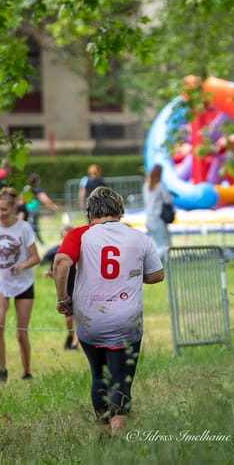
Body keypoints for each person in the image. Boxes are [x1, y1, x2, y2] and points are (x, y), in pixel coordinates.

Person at [52, 186, 164, 437]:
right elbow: (157, 275)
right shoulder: (139, 238)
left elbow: (60, 262)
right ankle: (119, 432)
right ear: (120, 212)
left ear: (90, 213)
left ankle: (103, 430)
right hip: (127, 319)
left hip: (91, 319)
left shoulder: (80, 234)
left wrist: (62, 298)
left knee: (98, 373)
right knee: (121, 376)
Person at [0, 187, 40, 384]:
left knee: (20, 333)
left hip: (23, 284)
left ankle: (26, 371)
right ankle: (1, 370)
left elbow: (36, 257)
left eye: (4, 210)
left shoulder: (23, 228)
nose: (0, 214)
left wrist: (22, 265)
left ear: (13, 208)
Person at [42, 224, 78, 350]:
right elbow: (56, 272)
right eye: (64, 238)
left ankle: (75, 341)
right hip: (66, 289)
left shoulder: (80, 252)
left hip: (78, 287)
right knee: (69, 317)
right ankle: (71, 335)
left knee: (78, 316)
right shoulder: (59, 253)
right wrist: (50, 274)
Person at [142, 164, 173, 262]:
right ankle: (152, 263)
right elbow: (168, 200)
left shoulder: (146, 186)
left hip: (149, 219)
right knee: (166, 245)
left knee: (158, 244)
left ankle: (163, 263)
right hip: (158, 219)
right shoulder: (160, 186)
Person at [21, 173, 59, 244]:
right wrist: (52, 205)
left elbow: (22, 199)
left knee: (30, 226)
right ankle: (35, 242)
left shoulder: (26, 187)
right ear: (37, 180)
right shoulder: (36, 188)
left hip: (25, 209)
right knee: (33, 226)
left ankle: (39, 242)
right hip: (32, 209)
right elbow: (43, 198)